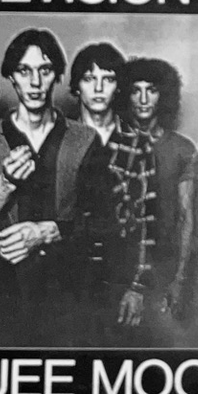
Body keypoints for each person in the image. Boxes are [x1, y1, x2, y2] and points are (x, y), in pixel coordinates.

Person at [0, 28, 98, 346]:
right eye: (24, 71)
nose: (35, 82)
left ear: (57, 76)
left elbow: (104, 223)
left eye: (44, 70)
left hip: (67, 300)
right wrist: (4, 186)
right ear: (11, 76)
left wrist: (47, 232)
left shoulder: (85, 139)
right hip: (0, 300)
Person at [72, 42, 157, 344]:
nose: (98, 88)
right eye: (89, 78)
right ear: (76, 87)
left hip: (118, 271)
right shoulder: (59, 138)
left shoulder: (138, 144)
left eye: (107, 79)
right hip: (66, 270)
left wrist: (138, 287)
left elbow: (148, 220)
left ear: (118, 86)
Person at [124, 57, 198, 337]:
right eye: (135, 90)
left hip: (163, 270)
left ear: (164, 95)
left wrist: (179, 280)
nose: (143, 99)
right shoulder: (110, 145)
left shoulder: (182, 149)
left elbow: (187, 218)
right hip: (119, 272)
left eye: (152, 90)